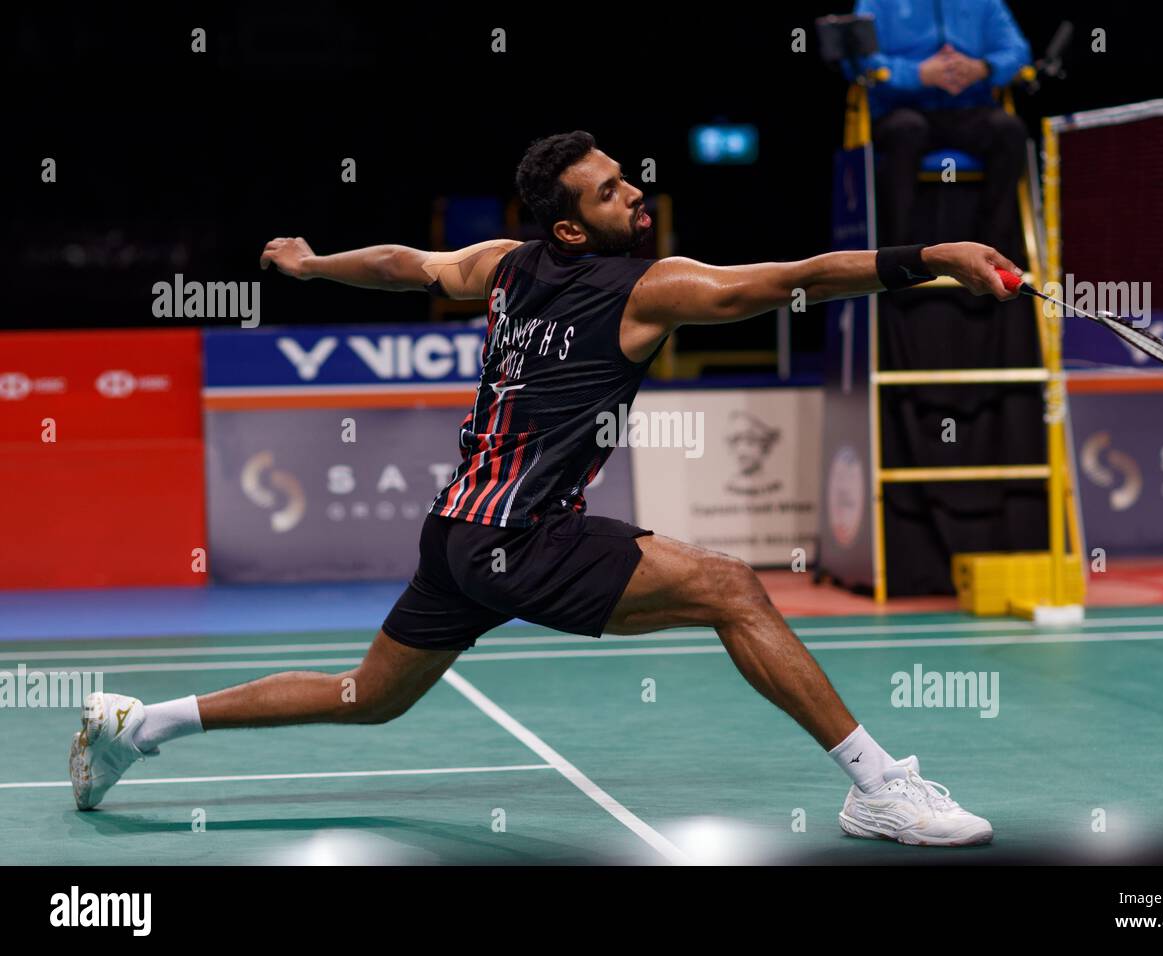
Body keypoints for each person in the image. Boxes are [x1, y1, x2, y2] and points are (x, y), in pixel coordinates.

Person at [70, 130, 1021, 848]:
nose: (635, 191)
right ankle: (876, 785)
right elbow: (779, 282)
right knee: (731, 586)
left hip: (457, 535)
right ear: (573, 224)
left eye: (626, 176)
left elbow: (412, 267)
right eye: (611, 190)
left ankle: (140, 723)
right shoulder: (647, 288)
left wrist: (317, 264)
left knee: (367, 696)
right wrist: (931, 261)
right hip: (515, 538)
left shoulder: (502, 269)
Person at [843, 0, 1032, 251]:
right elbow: (856, 59)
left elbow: (1018, 52)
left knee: (1009, 130)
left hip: (968, 109)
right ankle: (900, 262)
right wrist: (917, 73)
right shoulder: (878, 3)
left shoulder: (986, 3)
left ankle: (993, 256)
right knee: (906, 130)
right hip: (902, 110)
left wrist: (984, 68)